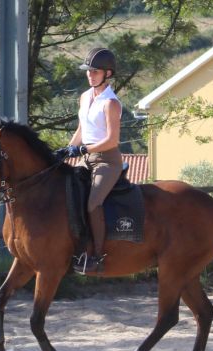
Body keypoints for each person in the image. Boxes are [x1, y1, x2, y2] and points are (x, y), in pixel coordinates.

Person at [63, 47, 123, 274]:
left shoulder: (111, 103)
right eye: (89, 71)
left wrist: (83, 149)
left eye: (95, 72)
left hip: (107, 161)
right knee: (68, 194)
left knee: (93, 203)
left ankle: (98, 255)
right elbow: (82, 128)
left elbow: (111, 140)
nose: (90, 75)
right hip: (86, 158)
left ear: (108, 74)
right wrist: (68, 149)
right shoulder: (85, 97)